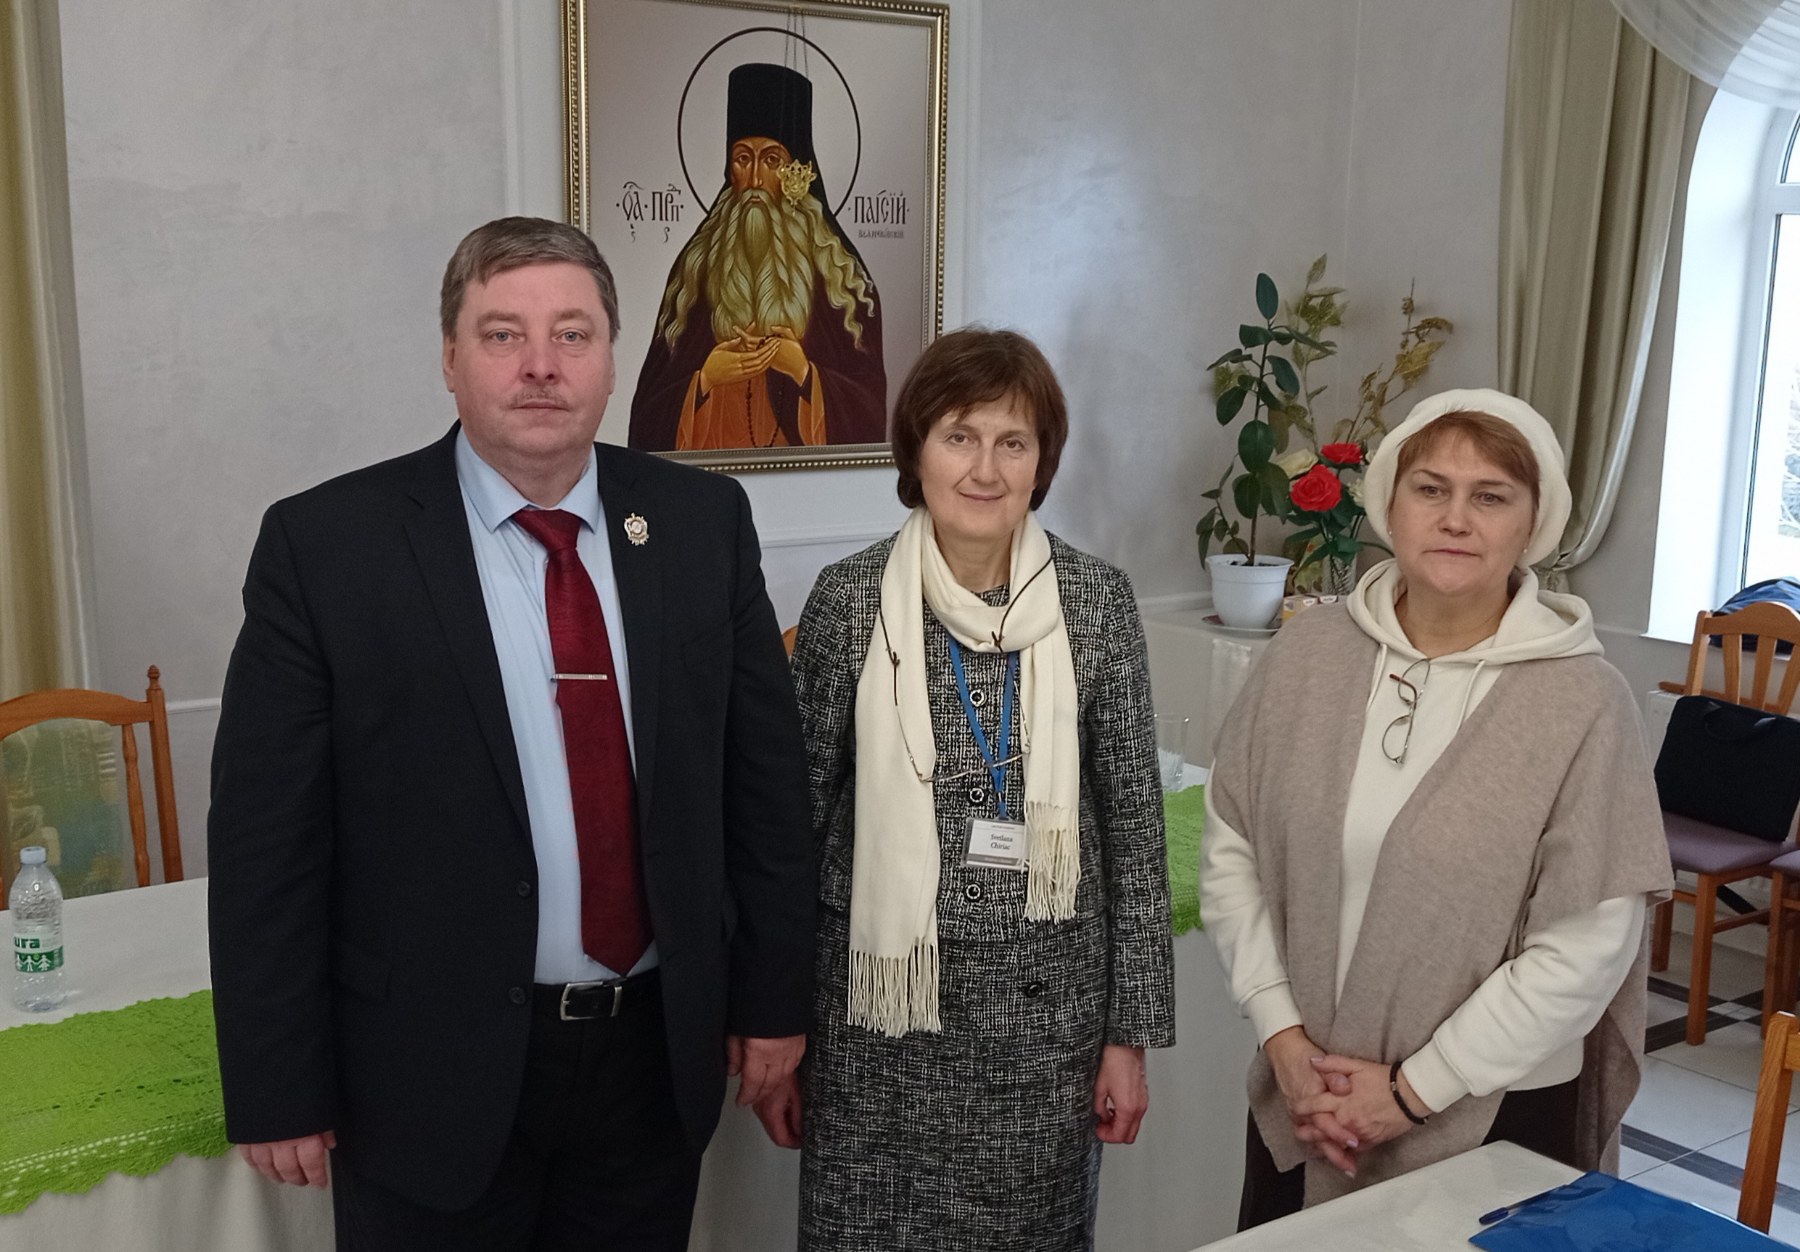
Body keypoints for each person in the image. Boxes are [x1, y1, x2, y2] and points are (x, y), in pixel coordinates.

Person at [207, 216, 816, 1250]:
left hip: (651, 1065)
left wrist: (772, 999)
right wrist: (275, 1081)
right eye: (503, 335)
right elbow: (266, 842)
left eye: (572, 334)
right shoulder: (327, 546)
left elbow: (765, 790)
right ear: (450, 358)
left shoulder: (701, 525)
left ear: (612, 359)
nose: (541, 365)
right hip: (423, 1073)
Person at [1200, 388, 1673, 1224]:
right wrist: (1284, 1039)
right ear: (1391, 504)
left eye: (1491, 496)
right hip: (1306, 1093)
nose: (1456, 518)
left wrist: (1411, 1091)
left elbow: (1587, 945)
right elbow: (1232, 849)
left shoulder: (1584, 703)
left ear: (1533, 524)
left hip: (1495, 1113)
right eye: (1431, 489)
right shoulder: (1306, 656)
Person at [770, 327, 1176, 1249]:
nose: (984, 468)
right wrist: (774, 1024)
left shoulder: (1097, 602)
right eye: (959, 436)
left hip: (1045, 1037)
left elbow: (1134, 834)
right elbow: (793, 825)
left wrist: (1130, 1039)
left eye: (1012, 441)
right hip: (873, 1027)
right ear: (917, 449)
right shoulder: (848, 599)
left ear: (1042, 462)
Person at [628, 61, 887, 452]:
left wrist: (803, 372)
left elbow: (869, 410)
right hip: (711, 475)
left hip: (805, 479)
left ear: (795, 174)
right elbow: (648, 416)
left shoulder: (840, 277)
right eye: (743, 158)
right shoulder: (694, 272)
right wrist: (705, 380)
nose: (753, 181)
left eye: (771, 161)